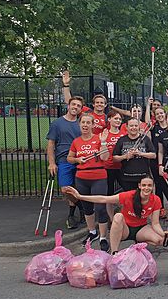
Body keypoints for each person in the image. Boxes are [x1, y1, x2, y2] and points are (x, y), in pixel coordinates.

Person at [64, 177, 166, 254]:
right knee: (118, 216)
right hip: (125, 229)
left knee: (160, 240)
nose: (146, 188)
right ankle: (114, 253)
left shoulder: (156, 199)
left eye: (149, 185)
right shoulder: (129, 195)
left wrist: (164, 234)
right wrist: (80, 196)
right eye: (144, 185)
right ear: (139, 186)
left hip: (140, 229)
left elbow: (155, 223)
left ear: (153, 187)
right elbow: (103, 199)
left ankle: (138, 242)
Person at [66, 113, 110, 250]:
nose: (85, 125)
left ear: (92, 125)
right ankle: (92, 232)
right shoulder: (76, 141)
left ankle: (103, 237)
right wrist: (77, 160)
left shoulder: (99, 139)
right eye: (83, 122)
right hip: (81, 178)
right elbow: (69, 158)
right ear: (79, 125)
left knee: (100, 208)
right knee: (87, 207)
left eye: (88, 123)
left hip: (98, 176)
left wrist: (103, 142)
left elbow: (105, 157)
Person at [46, 95, 84, 229]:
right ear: (68, 106)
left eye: (78, 106)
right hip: (63, 160)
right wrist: (52, 163)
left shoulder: (81, 124)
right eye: (73, 104)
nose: (75, 107)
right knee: (66, 189)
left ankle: (72, 215)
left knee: (79, 188)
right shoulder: (57, 123)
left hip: (80, 161)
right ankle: (83, 207)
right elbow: (51, 144)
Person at [112, 117, 156, 191]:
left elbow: (153, 155)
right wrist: (125, 156)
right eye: (131, 126)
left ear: (139, 126)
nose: (134, 128)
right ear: (127, 127)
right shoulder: (121, 140)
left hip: (143, 177)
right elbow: (114, 158)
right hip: (126, 177)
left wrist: (141, 153)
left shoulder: (145, 139)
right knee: (129, 200)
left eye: (136, 126)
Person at [61, 70, 108, 134]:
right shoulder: (87, 112)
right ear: (93, 104)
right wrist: (66, 85)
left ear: (105, 105)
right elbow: (69, 101)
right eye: (97, 102)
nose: (99, 104)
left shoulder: (106, 118)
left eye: (101, 103)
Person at [102, 111, 126, 221]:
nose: (118, 121)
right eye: (115, 118)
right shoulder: (104, 134)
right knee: (109, 195)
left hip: (122, 167)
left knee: (126, 193)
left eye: (120, 119)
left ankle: (124, 217)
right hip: (108, 168)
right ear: (109, 119)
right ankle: (112, 220)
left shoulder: (123, 134)